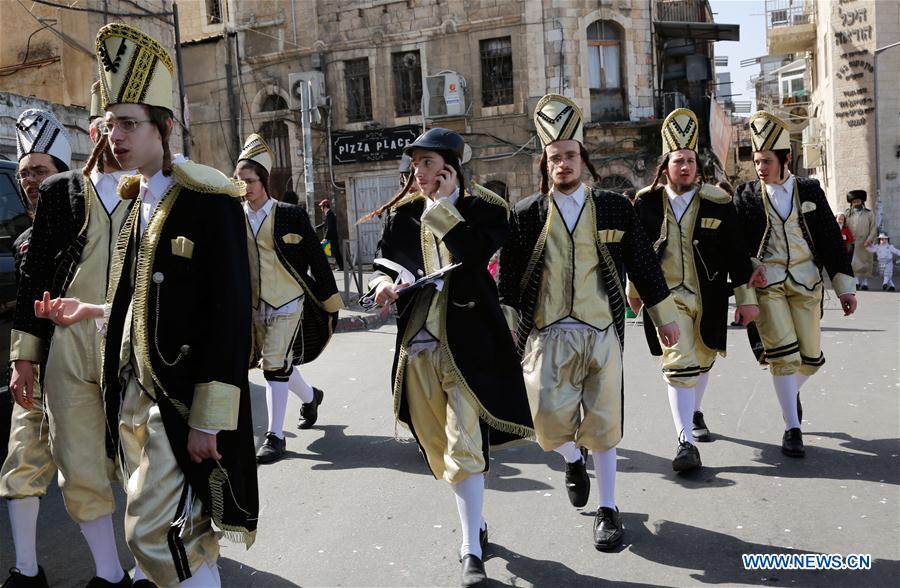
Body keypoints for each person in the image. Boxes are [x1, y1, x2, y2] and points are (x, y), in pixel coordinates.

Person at [35, 23, 259, 586]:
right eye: (111, 125)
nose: (115, 137)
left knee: (150, 532)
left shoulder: (210, 200)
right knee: (183, 532)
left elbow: (230, 319)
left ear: (165, 127)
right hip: (137, 395)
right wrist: (87, 313)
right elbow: (143, 303)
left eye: (130, 124)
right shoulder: (139, 201)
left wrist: (210, 421)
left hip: (182, 400)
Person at [498, 94, 678, 550]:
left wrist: (664, 316)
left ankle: (609, 508)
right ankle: (571, 457)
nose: (563, 164)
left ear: (583, 158)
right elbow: (510, 281)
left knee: (603, 426)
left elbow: (642, 261)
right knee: (543, 422)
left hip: (601, 334)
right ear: (546, 163)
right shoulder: (525, 215)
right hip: (546, 335)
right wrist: (504, 330)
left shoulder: (615, 207)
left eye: (570, 156)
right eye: (554, 158)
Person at [361, 128, 534, 587]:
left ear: (450, 168)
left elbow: (475, 254)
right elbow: (386, 262)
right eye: (414, 164)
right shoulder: (401, 215)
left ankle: (470, 550)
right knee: (437, 446)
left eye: (426, 164)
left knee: (463, 444)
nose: (417, 173)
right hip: (418, 346)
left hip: (471, 344)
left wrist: (441, 211)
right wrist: (383, 287)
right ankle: (474, 519)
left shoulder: (485, 209)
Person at [629, 108, 764, 471]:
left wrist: (747, 301)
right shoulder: (646, 203)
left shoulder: (718, 202)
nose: (685, 166)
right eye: (678, 161)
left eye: (690, 160)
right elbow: (637, 251)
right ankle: (685, 442)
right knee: (679, 367)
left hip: (709, 297)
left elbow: (737, 254)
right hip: (665, 299)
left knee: (702, 361)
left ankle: (695, 411)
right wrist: (634, 290)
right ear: (665, 165)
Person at [734, 111, 857, 459]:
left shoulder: (809, 190)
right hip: (768, 285)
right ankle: (792, 428)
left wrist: (844, 287)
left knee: (811, 358)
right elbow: (738, 247)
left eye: (767, 161)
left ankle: (788, 391)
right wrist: (748, 279)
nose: (760, 167)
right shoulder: (746, 196)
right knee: (784, 358)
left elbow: (832, 240)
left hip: (806, 283)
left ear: (786, 159)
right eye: (757, 161)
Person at [235, 133, 341, 464]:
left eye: (250, 181)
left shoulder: (290, 214)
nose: (245, 187)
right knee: (276, 362)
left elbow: (316, 257)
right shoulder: (233, 217)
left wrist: (330, 301)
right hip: (253, 304)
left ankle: (274, 437)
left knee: (274, 366)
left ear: (264, 180)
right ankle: (311, 397)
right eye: (239, 181)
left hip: (289, 301)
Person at [2, 108, 71, 588]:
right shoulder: (25, 239)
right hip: (38, 369)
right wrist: (21, 359)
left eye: (40, 171)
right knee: (21, 460)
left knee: (96, 472)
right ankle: (27, 571)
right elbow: (27, 307)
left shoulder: (96, 229)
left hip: (90, 368)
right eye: (25, 172)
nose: (30, 181)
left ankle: (117, 572)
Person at [843, 190, 877, 290]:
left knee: (865, 263)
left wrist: (869, 240)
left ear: (862, 201)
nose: (856, 203)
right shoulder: (847, 213)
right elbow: (842, 225)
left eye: (858, 201)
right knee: (853, 263)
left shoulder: (869, 213)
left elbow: (874, 228)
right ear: (851, 203)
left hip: (865, 242)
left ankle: (865, 282)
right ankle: (856, 282)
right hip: (851, 242)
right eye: (854, 202)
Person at [316, 198, 344, 270]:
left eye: (321, 206)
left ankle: (341, 266)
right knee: (335, 252)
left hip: (332, 237)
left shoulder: (330, 215)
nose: (321, 208)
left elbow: (329, 228)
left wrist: (325, 238)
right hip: (331, 237)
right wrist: (316, 228)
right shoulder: (328, 214)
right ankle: (341, 266)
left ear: (324, 207)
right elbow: (324, 224)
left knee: (334, 252)